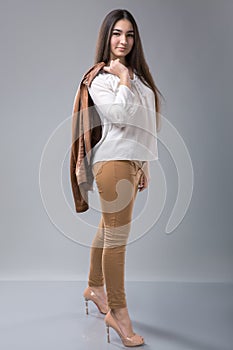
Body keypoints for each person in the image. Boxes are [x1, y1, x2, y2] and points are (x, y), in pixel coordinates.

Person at [78, 9, 163, 347]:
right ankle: (118, 312)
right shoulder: (101, 78)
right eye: (116, 34)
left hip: (130, 161)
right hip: (113, 161)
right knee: (118, 238)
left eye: (129, 35)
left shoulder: (138, 78)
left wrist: (145, 164)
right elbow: (118, 115)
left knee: (108, 227)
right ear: (106, 37)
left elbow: (144, 125)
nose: (123, 41)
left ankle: (95, 286)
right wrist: (123, 79)